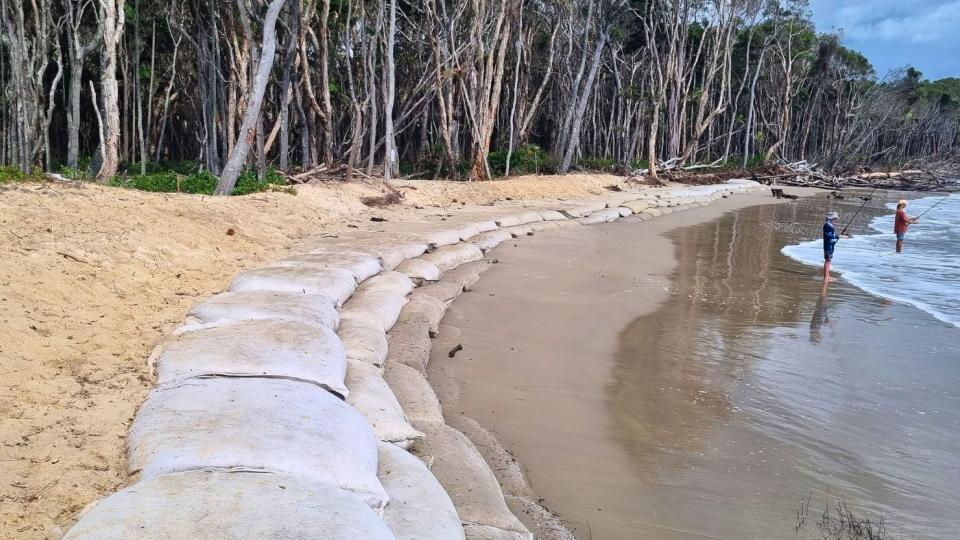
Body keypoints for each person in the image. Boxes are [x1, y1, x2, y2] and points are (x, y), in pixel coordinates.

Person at [822, 211, 848, 282]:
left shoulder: (830, 225)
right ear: (831, 218)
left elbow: (832, 236)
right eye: (834, 219)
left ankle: (828, 276)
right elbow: (828, 235)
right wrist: (839, 236)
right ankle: (825, 278)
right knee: (827, 260)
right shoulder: (827, 225)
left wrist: (839, 237)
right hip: (828, 246)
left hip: (830, 245)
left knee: (829, 260)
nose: (835, 220)